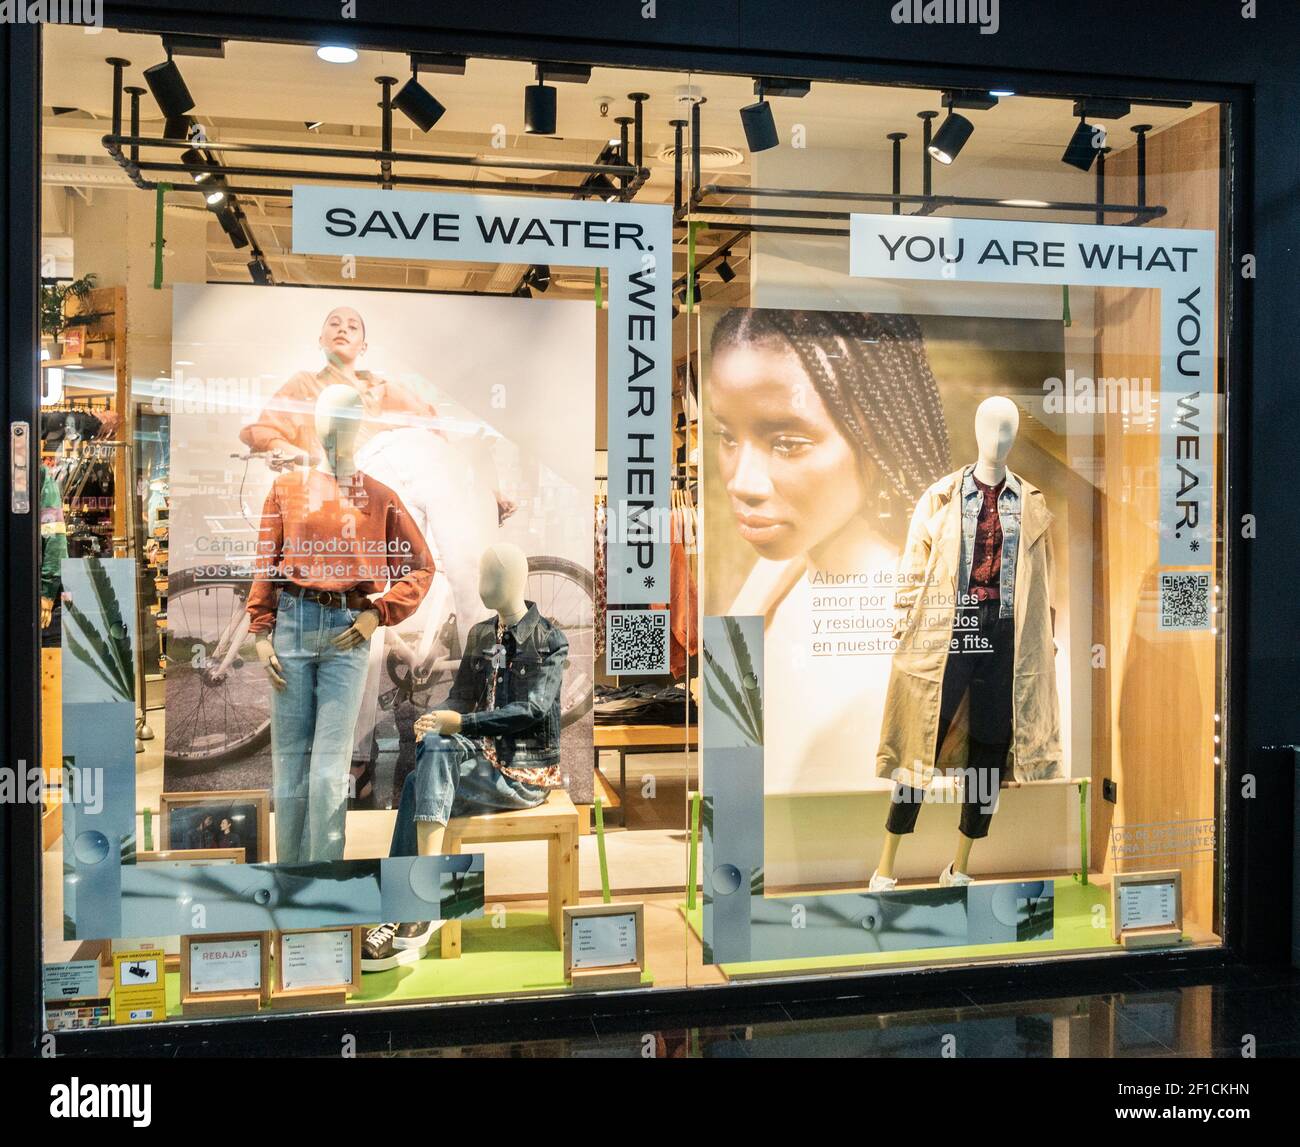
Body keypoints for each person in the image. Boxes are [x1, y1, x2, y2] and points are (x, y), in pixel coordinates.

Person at [708, 308, 951, 794]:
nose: (743, 482)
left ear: (878, 438)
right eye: (727, 437)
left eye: (788, 443)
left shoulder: (919, 616)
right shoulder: (767, 587)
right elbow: (731, 792)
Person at [239, 305, 439, 466]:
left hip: (375, 497)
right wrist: (292, 454)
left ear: (364, 347)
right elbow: (264, 432)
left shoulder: (385, 390)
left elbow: (431, 428)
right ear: (320, 340)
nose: (343, 329)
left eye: (352, 327)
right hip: (320, 496)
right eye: (335, 324)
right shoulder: (303, 383)